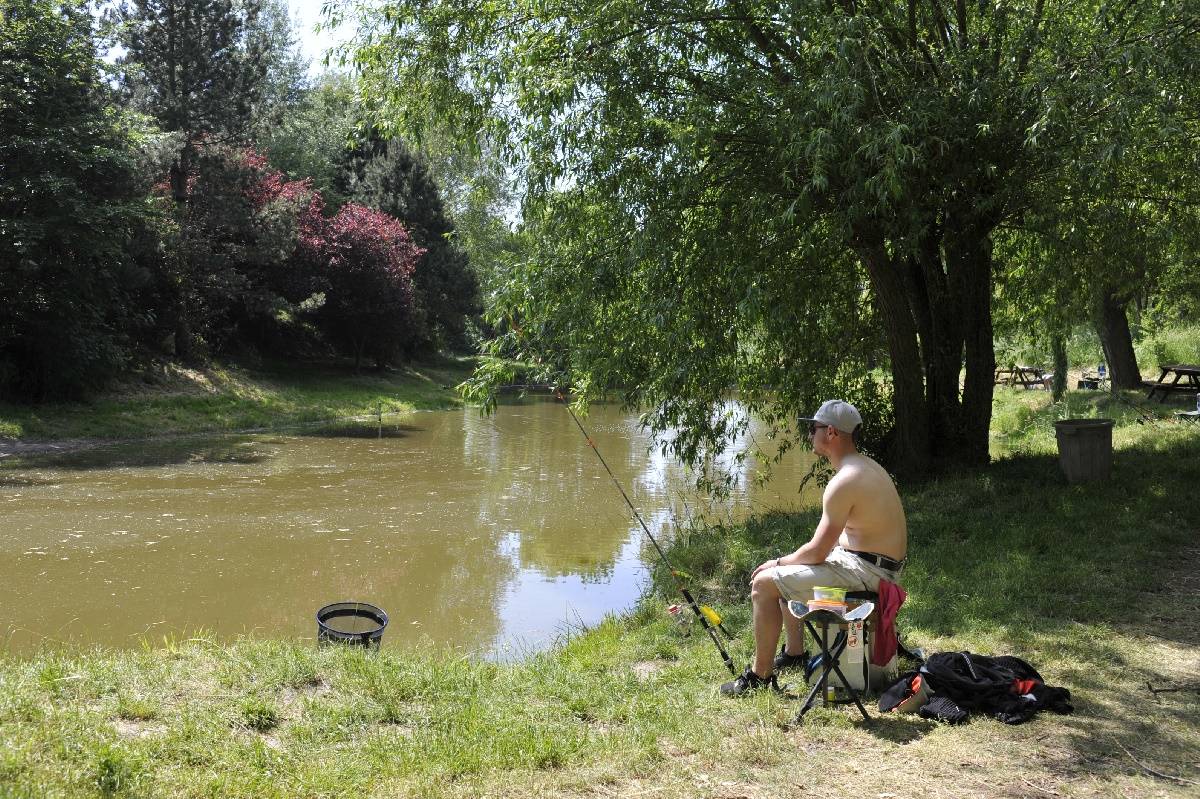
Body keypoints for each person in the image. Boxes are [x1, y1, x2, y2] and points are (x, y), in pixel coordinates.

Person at [720, 399, 908, 695]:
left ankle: (760, 678)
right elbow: (822, 549)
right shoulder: (866, 466)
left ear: (831, 432)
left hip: (869, 575)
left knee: (763, 584)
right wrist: (792, 563)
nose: (809, 435)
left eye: (813, 429)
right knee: (793, 570)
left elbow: (817, 552)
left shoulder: (845, 480)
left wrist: (778, 563)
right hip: (872, 565)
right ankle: (795, 653)